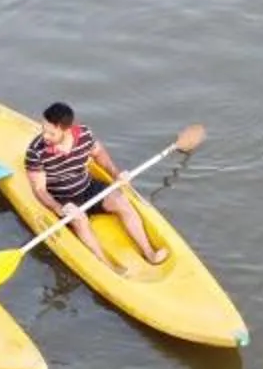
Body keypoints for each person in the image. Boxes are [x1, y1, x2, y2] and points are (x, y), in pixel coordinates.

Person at [22, 102, 167, 274]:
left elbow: (99, 155)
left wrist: (116, 174)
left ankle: (149, 253)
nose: (45, 136)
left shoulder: (84, 134)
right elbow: (39, 190)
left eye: (51, 133)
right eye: (43, 129)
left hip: (87, 186)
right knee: (80, 219)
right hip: (62, 198)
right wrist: (59, 209)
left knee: (121, 201)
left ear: (67, 129)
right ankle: (107, 266)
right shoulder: (35, 152)